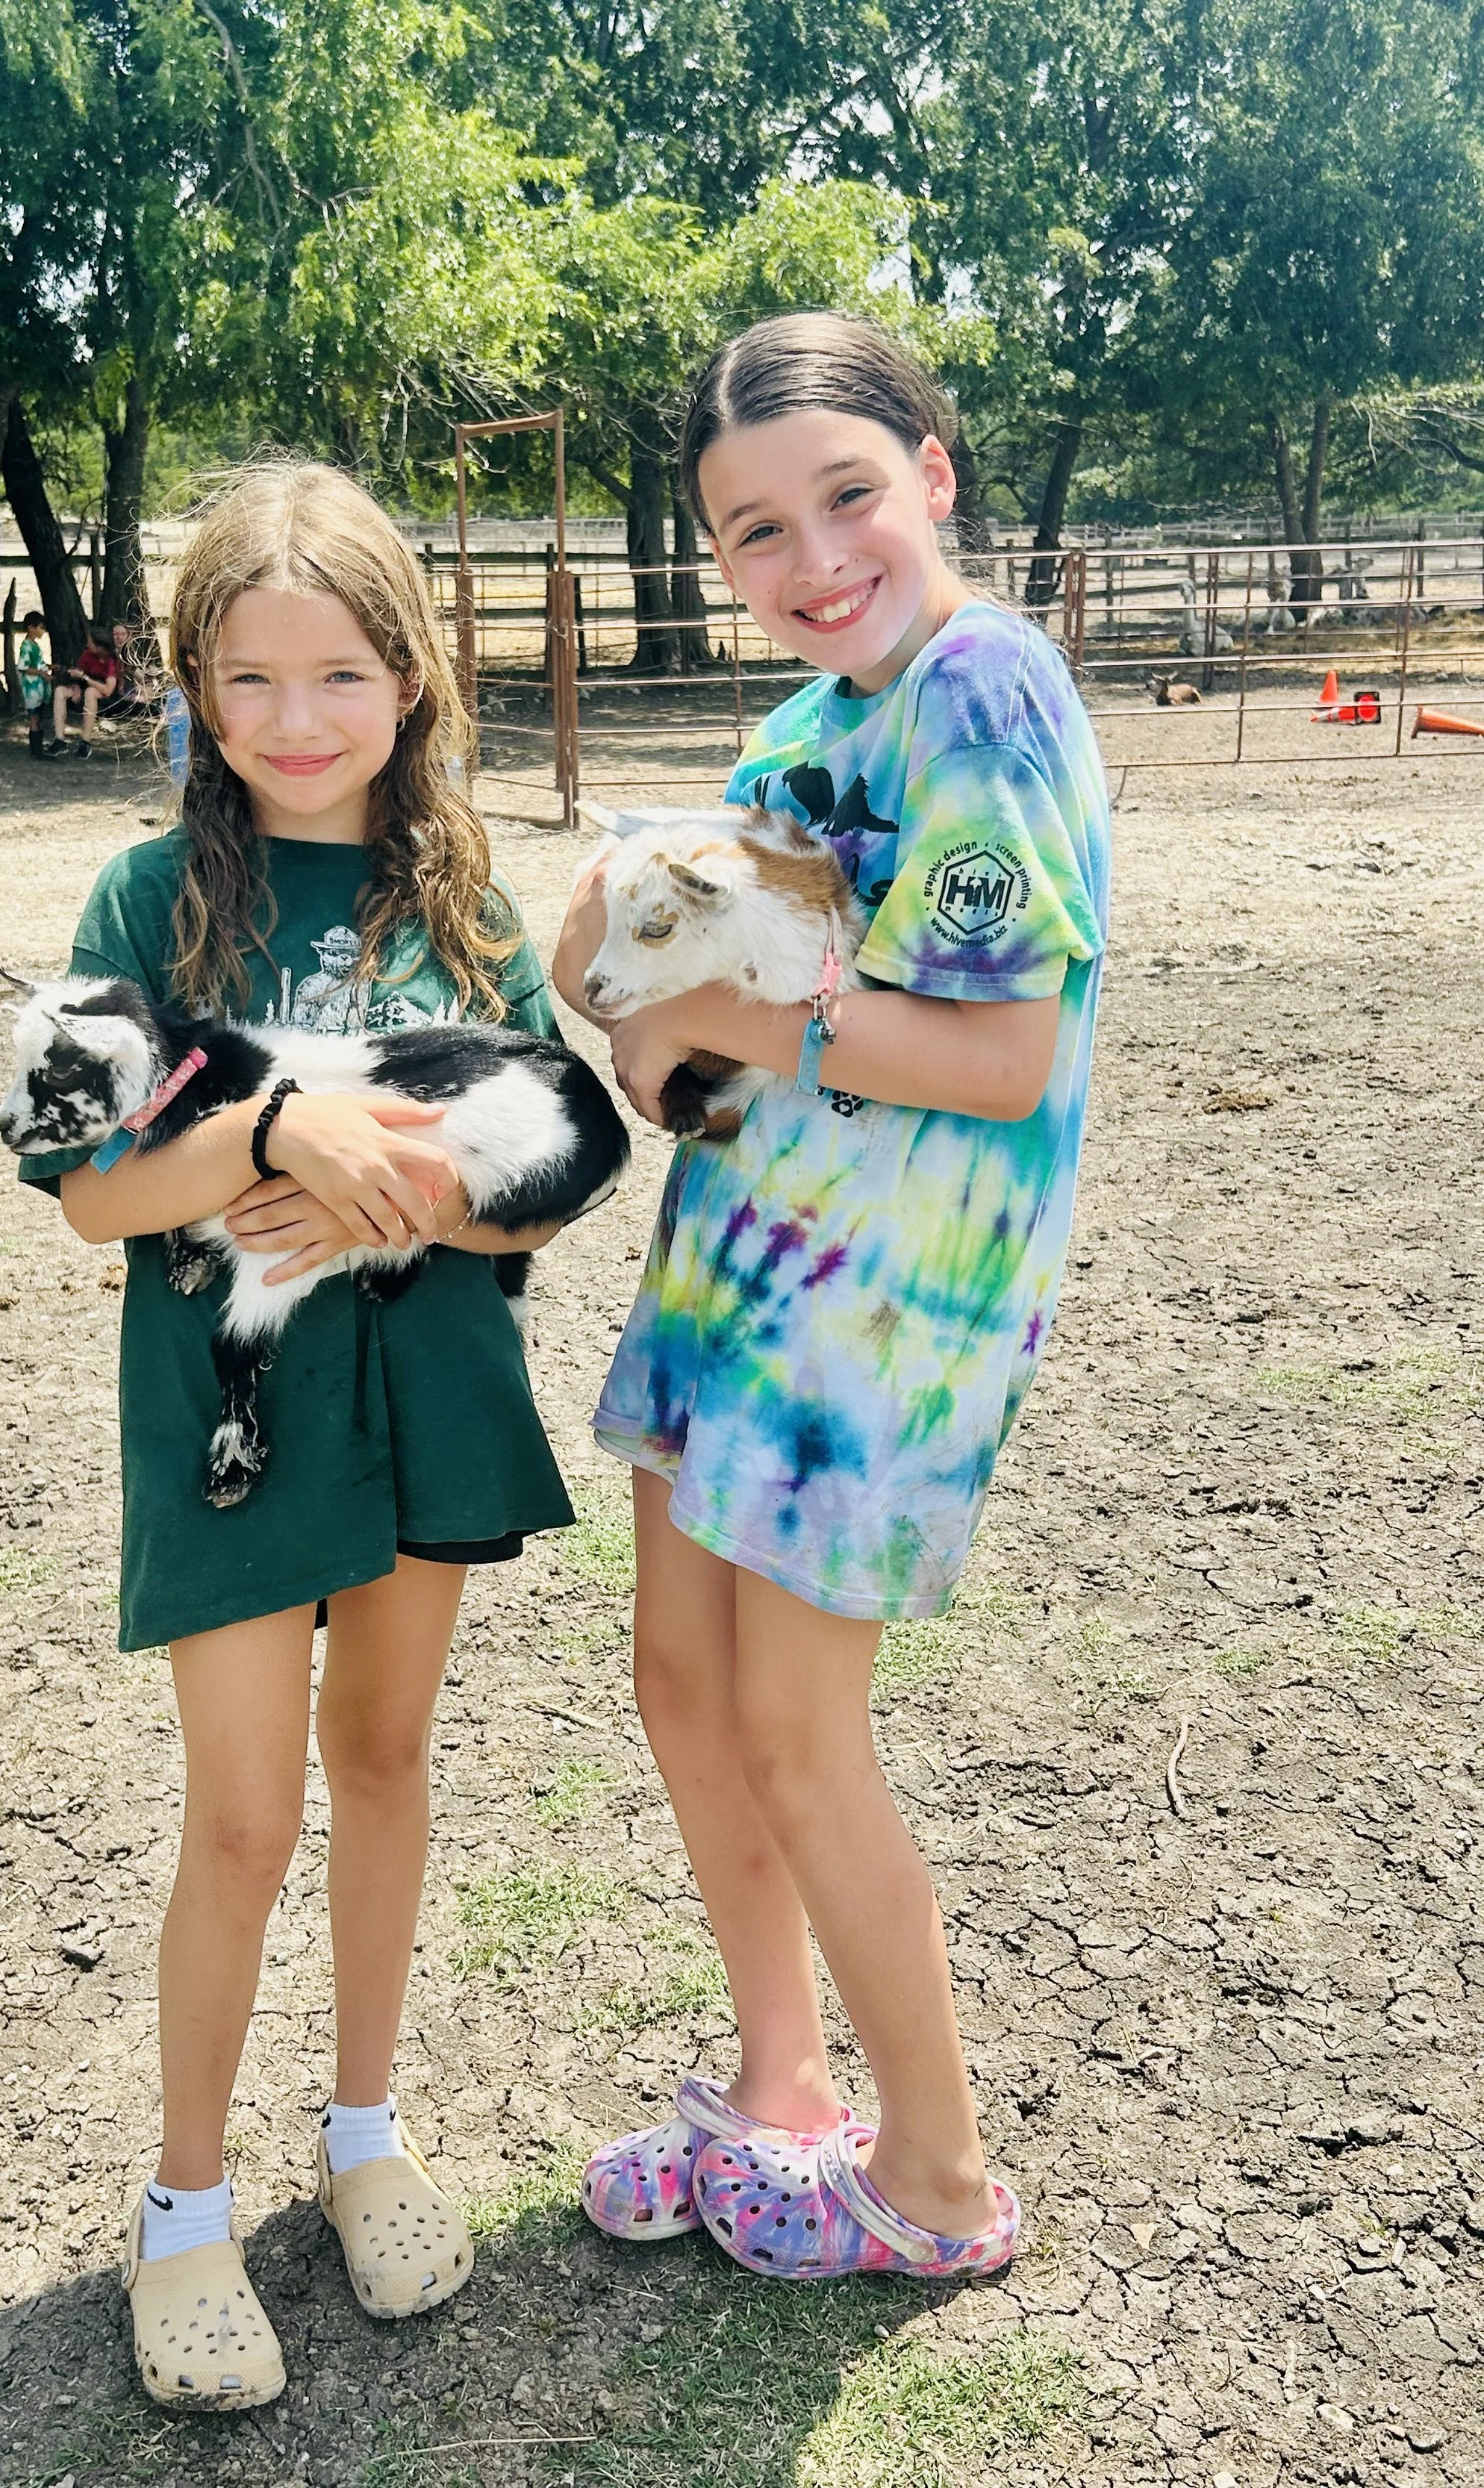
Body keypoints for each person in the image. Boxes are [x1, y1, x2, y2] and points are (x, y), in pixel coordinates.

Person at [14, 461, 579, 2407]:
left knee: (387, 1754)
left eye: (337, 671)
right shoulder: (138, 897)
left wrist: (425, 1187)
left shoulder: (461, 893)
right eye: (247, 678)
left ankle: (360, 2131)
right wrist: (268, 1132)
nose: (294, 717)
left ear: (407, 679)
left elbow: (540, 1170)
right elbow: (82, 1184)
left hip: (421, 1394)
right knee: (246, 1813)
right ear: (191, 685)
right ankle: (183, 2210)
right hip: (225, 1409)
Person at [553, 312, 1109, 2281]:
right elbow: (676, 1029)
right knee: (682, 1689)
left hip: (883, 1314)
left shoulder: (980, 690)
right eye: (752, 531)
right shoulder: (796, 734)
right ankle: (781, 2089)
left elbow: (992, 1060)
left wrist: (724, 1000)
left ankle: (939, 2179)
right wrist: (647, 1021)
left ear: (930, 473)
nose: (808, 561)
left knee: (800, 1730)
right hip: (732, 1265)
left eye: (843, 498)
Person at [52, 621, 125, 757]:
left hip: (107, 698)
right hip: (85, 690)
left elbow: (108, 690)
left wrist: (86, 678)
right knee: (60, 691)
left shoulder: (111, 661)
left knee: (90, 692)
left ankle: (85, 742)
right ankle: (59, 739)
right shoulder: (87, 655)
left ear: (99, 646)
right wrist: (76, 684)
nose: (88, 645)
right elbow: (79, 674)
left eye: (91, 643)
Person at [16, 610, 54, 755]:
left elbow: (38, 664)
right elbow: (24, 667)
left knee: (38, 715)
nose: (42, 631)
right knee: (34, 716)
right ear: (31, 628)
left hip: (37, 687)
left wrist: (49, 668)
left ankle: (38, 745)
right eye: (41, 628)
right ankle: (36, 749)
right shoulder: (26, 646)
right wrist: (42, 674)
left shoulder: (34, 646)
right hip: (31, 687)